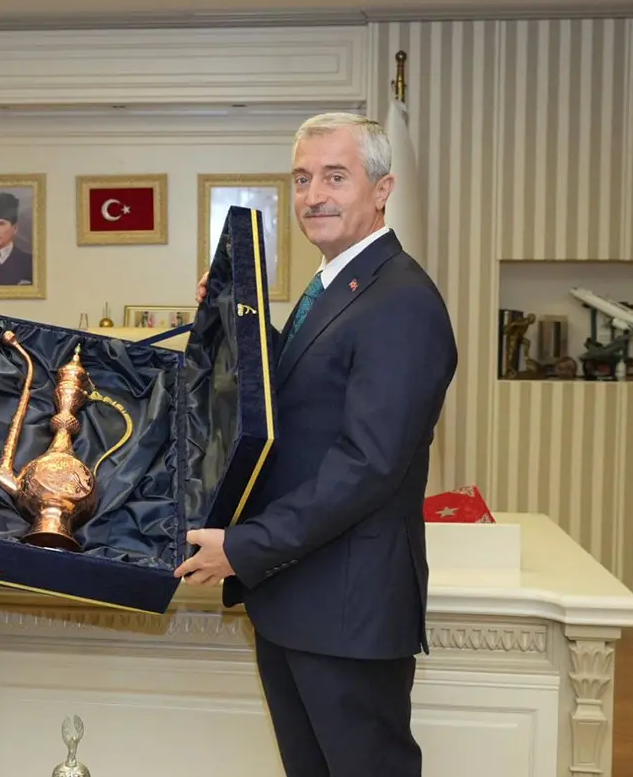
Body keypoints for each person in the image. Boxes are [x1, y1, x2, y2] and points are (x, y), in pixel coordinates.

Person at [176, 112, 457, 776]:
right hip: (296, 601)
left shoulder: (402, 300)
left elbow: (367, 466)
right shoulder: (337, 283)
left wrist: (244, 546)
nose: (313, 195)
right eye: (302, 179)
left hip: (347, 614)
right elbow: (307, 394)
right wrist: (238, 325)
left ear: (382, 189)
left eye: (335, 176)